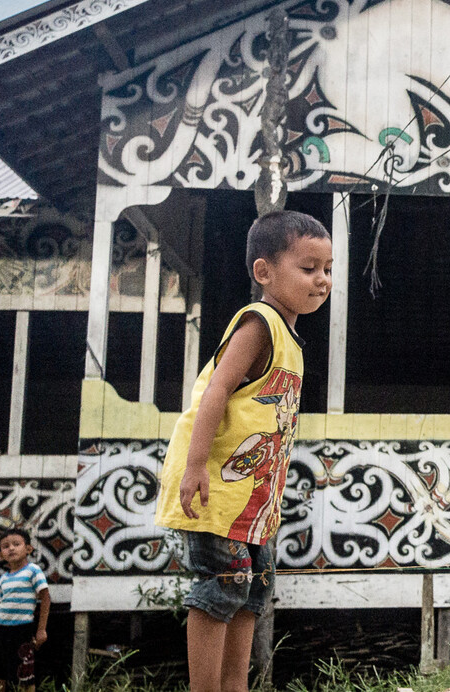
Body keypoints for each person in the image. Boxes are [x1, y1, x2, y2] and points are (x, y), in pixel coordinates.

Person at [155, 211, 332, 692]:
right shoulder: (259, 324)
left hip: (254, 499)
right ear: (264, 272)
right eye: (309, 267)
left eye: (328, 270)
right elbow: (214, 392)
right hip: (217, 488)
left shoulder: (290, 338)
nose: (322, 280)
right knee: (224, 585)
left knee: (254, 591)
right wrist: (195, 465)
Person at [0, 529, 49, 692]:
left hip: (22, 630)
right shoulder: (3, 579)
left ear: (28, 549)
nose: (11, 548)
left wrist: (41, 630)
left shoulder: (33, 571)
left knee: (25, 673)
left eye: (16, 544)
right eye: (5, 546)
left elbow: (45, 598)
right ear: (1, 555)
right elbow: (2, 603)